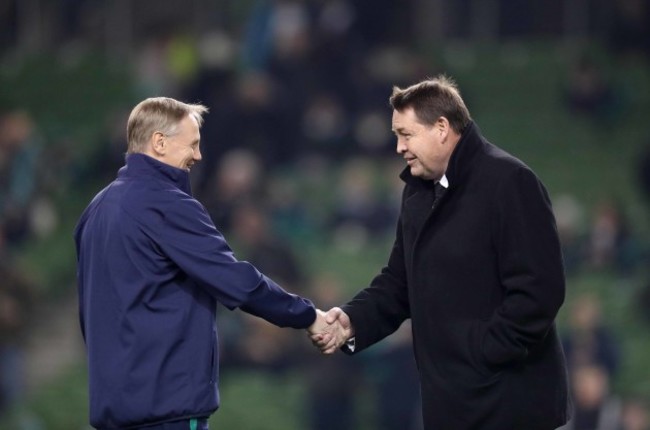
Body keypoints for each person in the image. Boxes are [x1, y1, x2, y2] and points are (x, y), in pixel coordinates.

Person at [313, 76, 572, 429]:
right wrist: (352, 320)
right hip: (451, 407)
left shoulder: (510, 181)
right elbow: (399, 282)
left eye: (406, 134)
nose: (399, 148)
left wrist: (480, 353)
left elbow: (540, 290)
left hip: (509, 404)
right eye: (396, 136)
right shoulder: (418, 191)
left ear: (441, 128)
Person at [74, 97, 331, 430]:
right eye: (192, 145)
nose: (198, 155)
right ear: (159, 142)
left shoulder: (95, 210)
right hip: (166, 410)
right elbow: (235, 280)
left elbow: (89, 311)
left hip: (115, 408)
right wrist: (307, 315)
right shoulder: (166, 204)